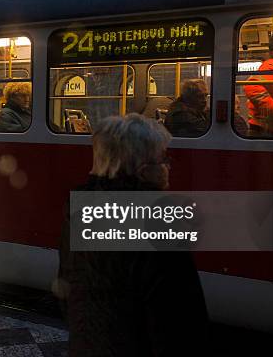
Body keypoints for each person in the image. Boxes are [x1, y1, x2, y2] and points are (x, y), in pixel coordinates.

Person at [58, 114, 208, 356]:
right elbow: (179, 324)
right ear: (143, 171)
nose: (168, 166)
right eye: (164, 159)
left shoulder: (80, 210)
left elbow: (68, 290)